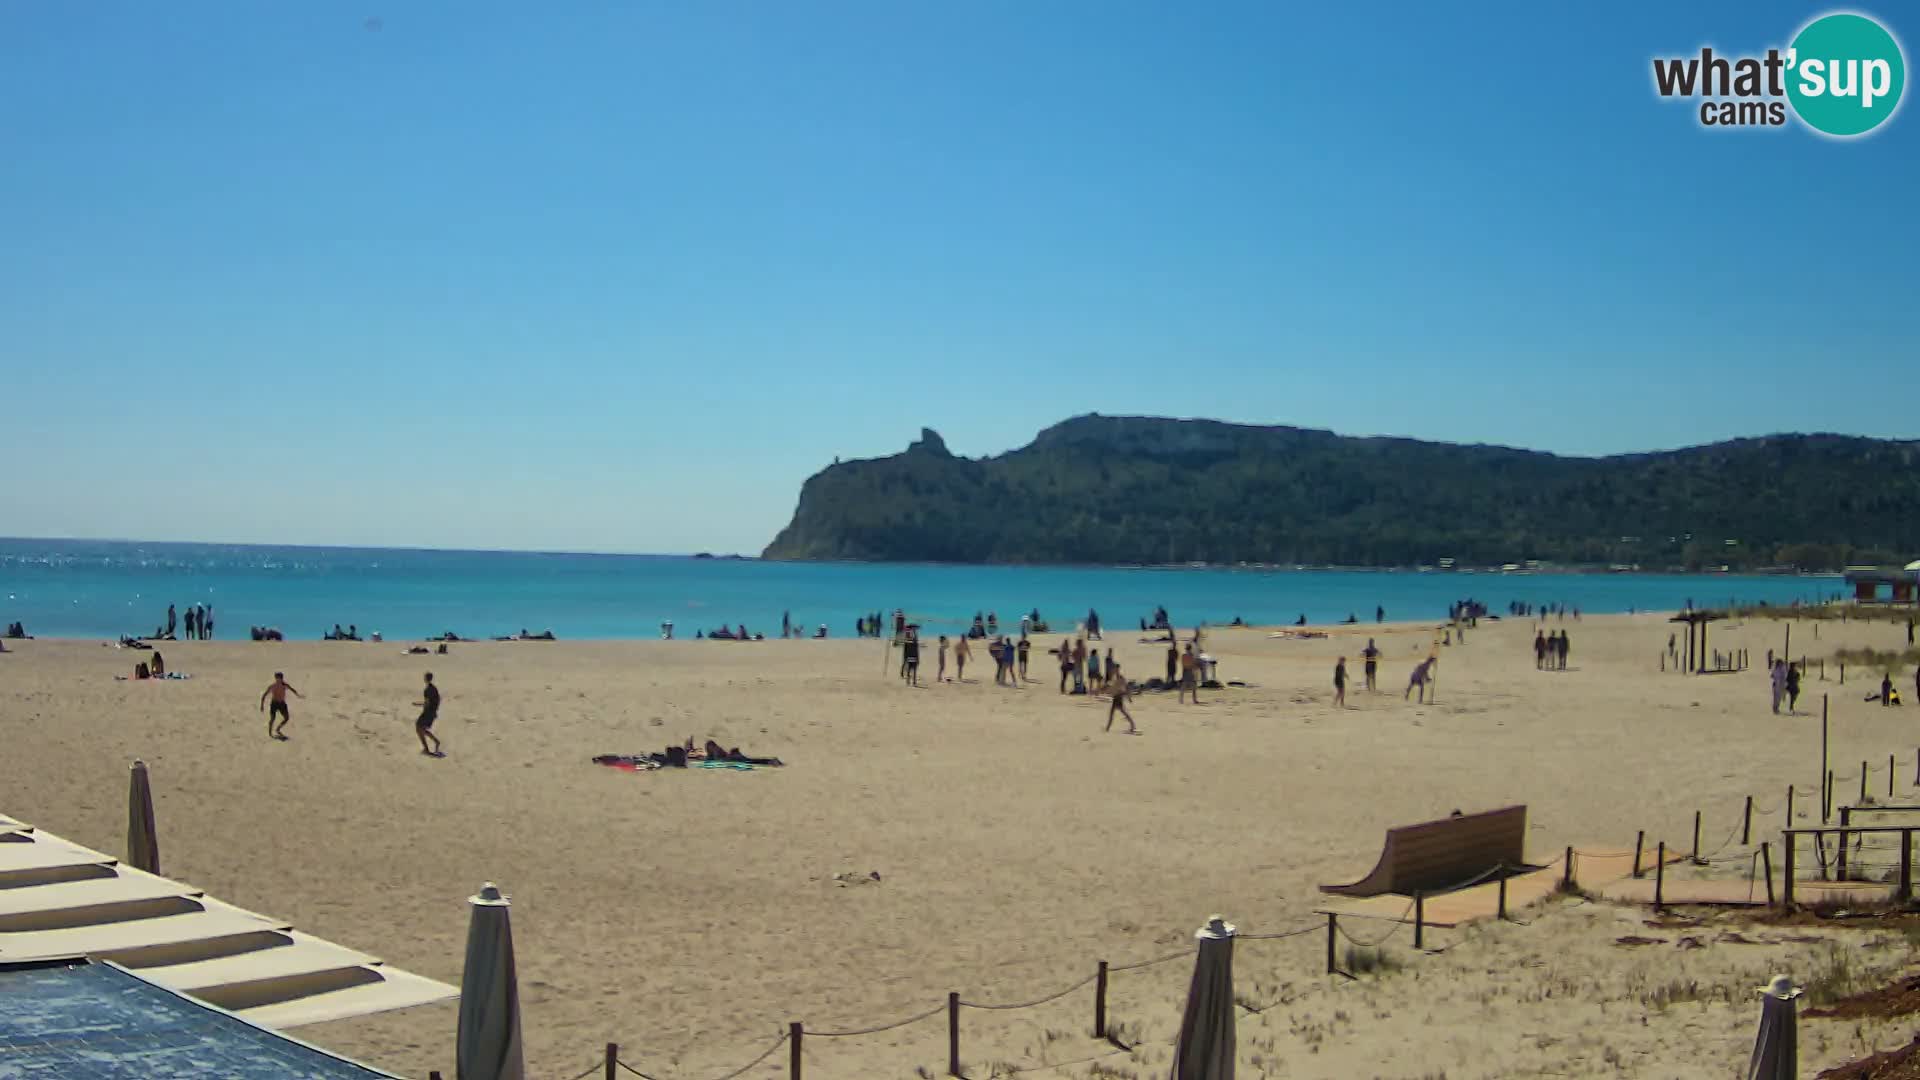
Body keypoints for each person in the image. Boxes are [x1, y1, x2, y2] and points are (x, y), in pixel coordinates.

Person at [260, 671, 302, 740]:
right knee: (272, 719)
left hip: (282, 703)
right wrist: (262, 705)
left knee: (286, 718)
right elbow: (264, 695)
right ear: (276, 678)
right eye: (277, 678)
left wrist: (298, 695)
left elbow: (292, 689)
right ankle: (270, 733)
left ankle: (278, 728)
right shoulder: (272, 686)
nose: (279, 679)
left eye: (280, 678)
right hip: (274, 703)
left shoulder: (284, 685)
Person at [414, 672, 443, 755]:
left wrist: (417, 704)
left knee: (418, 728)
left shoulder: (427, 690)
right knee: (422, 729)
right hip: (432, 712)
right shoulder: (434, 688)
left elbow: (427, 703)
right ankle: (436, 741)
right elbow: (438, 700)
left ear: (426, 678)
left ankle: (426, 749)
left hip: (428, 712)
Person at [1105, 663, 1137, 734]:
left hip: (1118, 697)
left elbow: (1126, 687)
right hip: (1115, 697)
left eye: (1115, 669)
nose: (1114, 670)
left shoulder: (1120, 677)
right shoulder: (1114, 677)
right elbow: (1113, 688)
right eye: (1114, 669)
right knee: (1121, 712)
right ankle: (1132, 725)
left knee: (1115, 713)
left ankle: (1107, 728)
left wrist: (1129, 697)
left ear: (1118, 669)